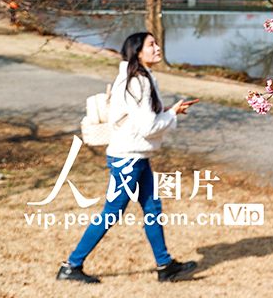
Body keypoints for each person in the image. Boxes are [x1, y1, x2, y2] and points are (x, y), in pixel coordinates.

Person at [56, 32, 200, 284]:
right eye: (151, 45)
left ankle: (165, 266)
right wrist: (173, 114)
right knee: (111, 213)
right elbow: (147, 128)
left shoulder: (139, 77)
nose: (157, 48)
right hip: (127, 159)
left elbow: (141, 119)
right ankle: (71, 266)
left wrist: (169, 111)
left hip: (136, 155)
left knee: (153, 209)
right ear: (138, 52)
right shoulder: (137, 81)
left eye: (156, 43)